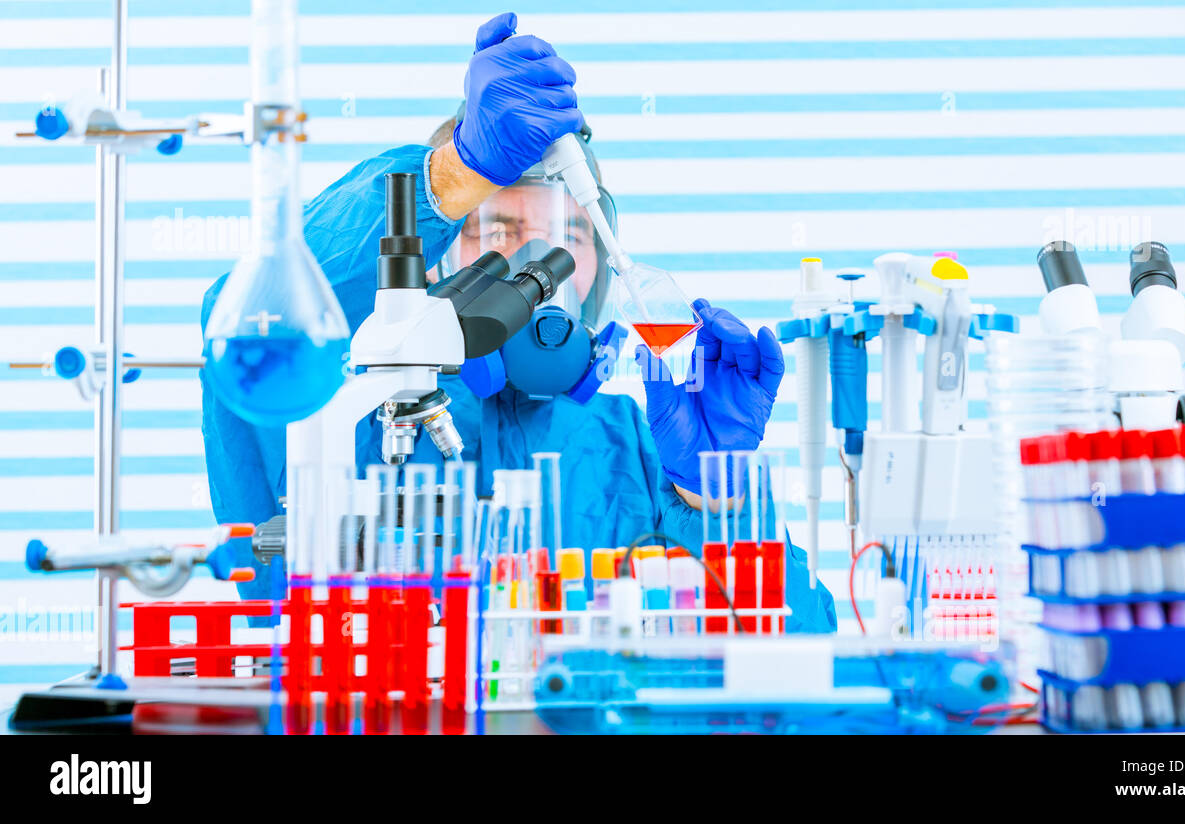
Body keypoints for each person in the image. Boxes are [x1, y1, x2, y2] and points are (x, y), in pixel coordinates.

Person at [201, 13, 836, 632]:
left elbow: (798, 656)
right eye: (498, 232)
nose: (542, 271)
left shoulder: (643, 451)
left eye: (569, 239)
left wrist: (717, 499)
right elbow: (255, 313)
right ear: (433, 260)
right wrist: (458, 173)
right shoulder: (348, 419)